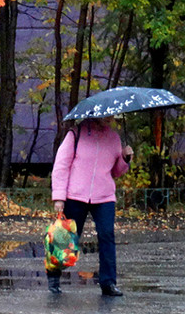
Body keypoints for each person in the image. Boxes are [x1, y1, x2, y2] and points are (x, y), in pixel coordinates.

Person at [47, 115, 133, 296]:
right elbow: (61, 166)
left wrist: (125, 159)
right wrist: (59, 197)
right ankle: (54, 275)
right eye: (107, 116)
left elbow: (116, 172)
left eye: (114, 116)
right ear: (96, 114)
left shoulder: (114, 138)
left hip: (104, 196)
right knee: (67, 237)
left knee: (107, 236)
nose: (111, 119)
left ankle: (108, 283)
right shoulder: (75, 134)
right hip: (75, 195)